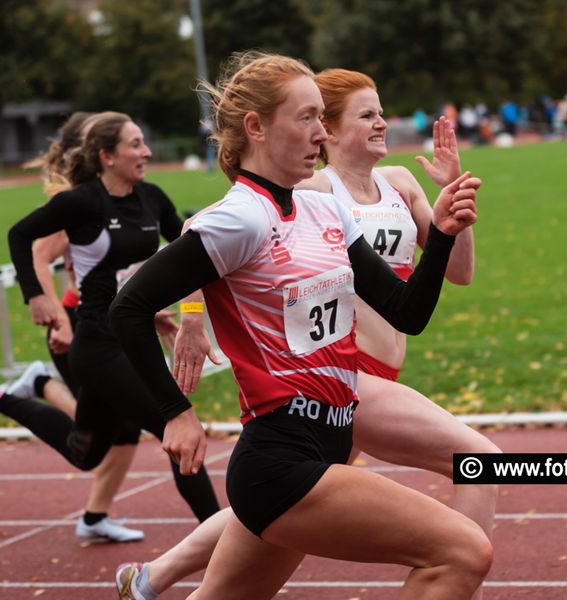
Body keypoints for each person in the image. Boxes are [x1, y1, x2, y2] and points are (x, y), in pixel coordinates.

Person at [110, 51, 491, 600]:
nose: (321, 132)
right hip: (280, 462)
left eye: (323, 117)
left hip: (328, 443)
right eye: (308, 118)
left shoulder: (324, 212)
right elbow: (127, 307)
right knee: (462, 551)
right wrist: (176, 413)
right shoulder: (240, 218)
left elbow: (408, 312)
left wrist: (446, 232)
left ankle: (147, 582)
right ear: (257, 127)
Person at [0, 111, 220, 526]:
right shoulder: (81, 203)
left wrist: (170, 309)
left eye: (144, 142)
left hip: (134, 338)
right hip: (98, 345)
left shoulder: (152, 198)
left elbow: (190, 250)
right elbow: (19, 235)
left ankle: (4, 398)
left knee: (84, 453)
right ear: (107, 156)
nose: (147, 151)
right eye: (135, 144)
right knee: (174, 422)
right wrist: (35, 297)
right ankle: (219, 535)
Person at [4, 112, 144, 542]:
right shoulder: (79, 205)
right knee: (97, 436)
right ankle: (40, 382)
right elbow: (37, 255)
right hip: (78, 330)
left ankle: (94, 516)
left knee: (124, 433)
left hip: (108, 328)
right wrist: (56, 315)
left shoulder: (115, 198)